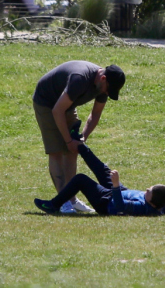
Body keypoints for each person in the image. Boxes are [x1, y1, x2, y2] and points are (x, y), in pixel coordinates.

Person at [32, 60, 125, 214]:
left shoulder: (103, 87)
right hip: (47, 102)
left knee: (72, 150)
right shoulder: (80, 79)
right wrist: (68, 140)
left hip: (66, 105)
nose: (107, 93)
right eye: (108, 89)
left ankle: (72, 199)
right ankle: (63, 202)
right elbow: (57, 111)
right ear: (103, 79)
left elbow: (95, 114)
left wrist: (82, 138)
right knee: (56, 151)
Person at [35, 168, 165, 217]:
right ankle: (81, 146)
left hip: (104, 205)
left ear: (152, 203)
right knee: (94, 173)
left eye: (150, 191)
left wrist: (116, 185)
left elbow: (120, 205)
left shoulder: (143, 207)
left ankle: (54, 206)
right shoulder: (163, 206)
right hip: (109, 197)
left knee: (80, 179)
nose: (147, 189)